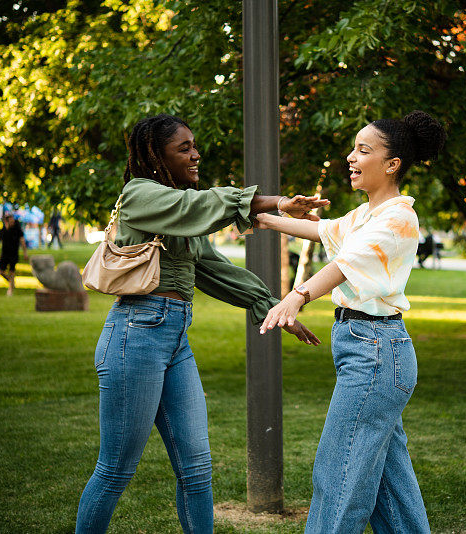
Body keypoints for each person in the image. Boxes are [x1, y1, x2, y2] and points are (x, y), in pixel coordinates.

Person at [75, 114, 327, 533]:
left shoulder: (179, 216)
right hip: (135, 336)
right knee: (115, 470)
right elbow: (204, 205)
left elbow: (213, 269)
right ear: (157, 155)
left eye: (195, 146)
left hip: (173, 339)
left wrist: (273, 305)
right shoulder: (141, 195)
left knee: (197, 469)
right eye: (184, 148)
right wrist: (276, 202)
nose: (195, 155)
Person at [256, 110, 446, 534]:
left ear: (392, 164)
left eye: (363, 150)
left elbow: (345, 264)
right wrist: (266, 218)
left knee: (339, 473)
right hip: (369, 349)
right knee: (389, 487)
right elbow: (324, 230)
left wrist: (298, 294)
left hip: (376, 353)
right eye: (352, 149)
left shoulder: (399, 217)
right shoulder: (366, 215)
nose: (350, 157)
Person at [0, 212, 28, 296]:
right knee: (1, 271)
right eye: (10, 220)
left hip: (14, 254)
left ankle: (10, 290)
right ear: (6, 221)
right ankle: (11, 281)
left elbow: (22, 241)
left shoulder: (17, 230)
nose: (13, 221)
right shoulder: (2, 231)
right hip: (4, 254)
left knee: (12, 271)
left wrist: (25, 253)